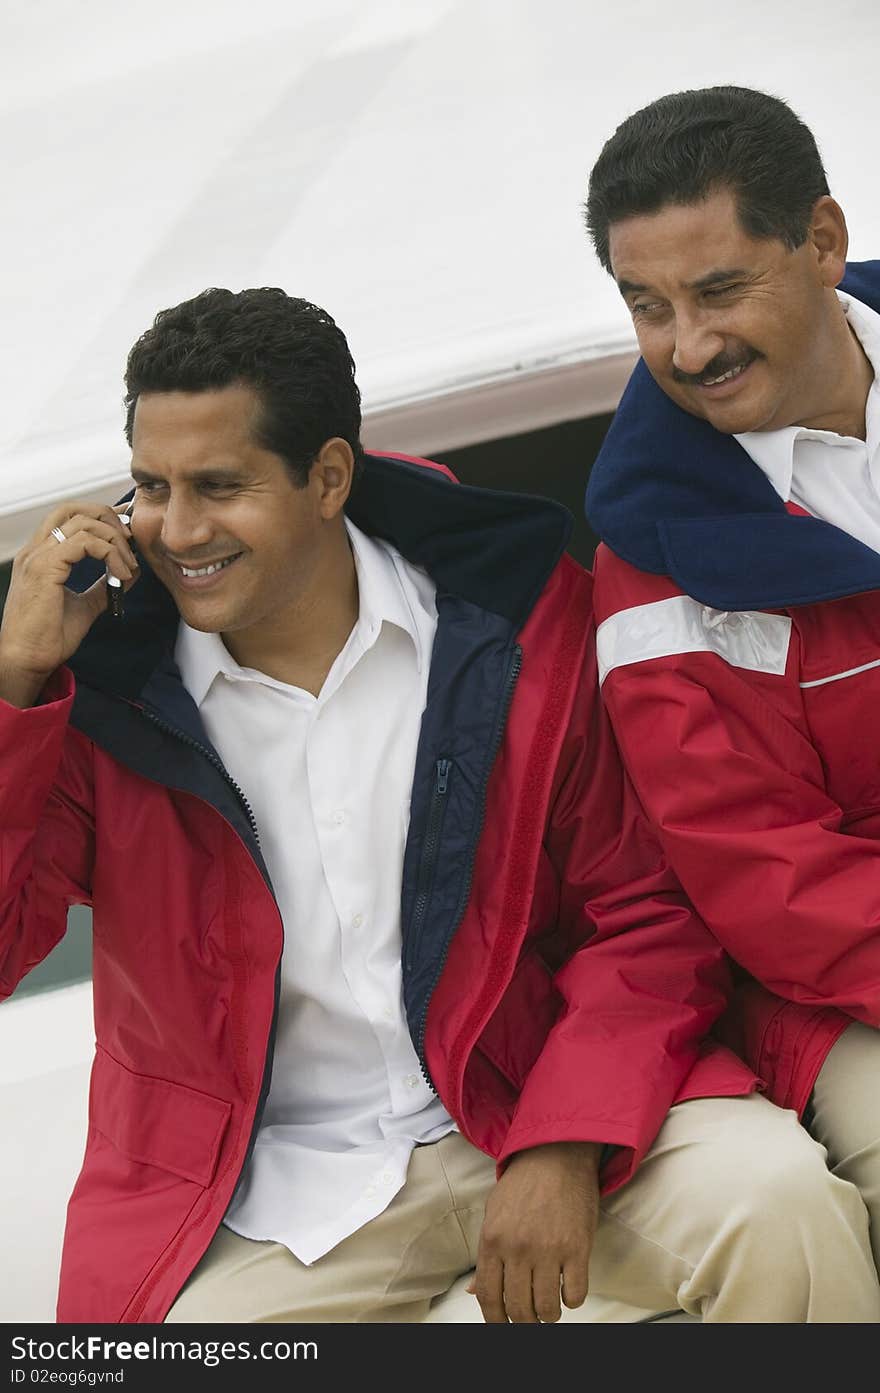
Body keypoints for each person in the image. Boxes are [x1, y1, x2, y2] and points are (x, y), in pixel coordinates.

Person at [1, 289, 877, 1328]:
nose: (175, 528)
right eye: (151, 485)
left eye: (219, 486)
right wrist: (16, 685)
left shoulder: (517, 625)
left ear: (328, 476)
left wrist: (560, 1139)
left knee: (777, 1206)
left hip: (540, 1096)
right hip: (263, 1189)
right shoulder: (102, 700)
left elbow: (642, 912)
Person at [585, 85, 880, 1278]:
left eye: (717, 291)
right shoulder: (651, 561)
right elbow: (770, 879)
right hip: (836, 990)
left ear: (819, 240)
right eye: (644, 307)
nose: (685, 347)